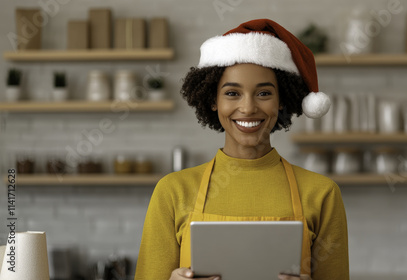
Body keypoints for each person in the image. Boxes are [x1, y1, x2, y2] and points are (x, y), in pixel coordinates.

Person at [134, 19, 349, 280]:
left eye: (264, 94)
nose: (248, 108)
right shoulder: (172, 192)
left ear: (281, 102)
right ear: (213, 101)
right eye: (233, 93)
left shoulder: (322, 194)